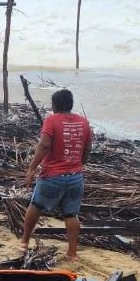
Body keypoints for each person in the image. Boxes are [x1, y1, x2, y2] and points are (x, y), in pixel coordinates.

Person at [20, 89, 91, 261]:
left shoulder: (51, 120)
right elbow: (88, 148)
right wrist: (79, 163)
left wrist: (31, 168)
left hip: (52, 176)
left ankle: (24, 241)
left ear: (54, 105)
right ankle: (72, 253)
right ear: (71, 104)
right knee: (71, 215)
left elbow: (44, 145)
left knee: (35, 206)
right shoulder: (83, 122)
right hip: (75, 177)